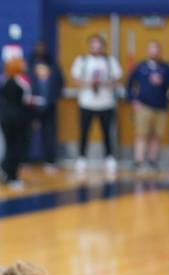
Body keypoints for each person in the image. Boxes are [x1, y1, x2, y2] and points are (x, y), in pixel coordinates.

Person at [70, 35, 122, 175]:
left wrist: (104, 83)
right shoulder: (82, 60)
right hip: (86, 103)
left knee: (107, 132)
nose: (96, 48)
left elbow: (117, 81)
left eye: (99, 45)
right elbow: (75, 81)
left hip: (106, 103)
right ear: (89, 46)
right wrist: (89, 83)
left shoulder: (110, 61)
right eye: (93, 45)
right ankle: (81, 158)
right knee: (84, 131)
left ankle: (109, 157)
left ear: (103, 46)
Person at [127, 40, 169, 172]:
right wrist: (133, 100)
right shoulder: (140, 67)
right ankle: (138, 161)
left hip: (161, 107)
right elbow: (130, 85)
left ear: (160, 51)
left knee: (156, 135)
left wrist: (168, 93)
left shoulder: (168, 69)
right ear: (148, 51)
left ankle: (152, 161)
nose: (154, 52)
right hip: (143, 106)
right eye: (151, 49)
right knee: (141, 134)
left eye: (157, 49)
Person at [0, 58, 32, 190]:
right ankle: (13, 177)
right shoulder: (22, 82)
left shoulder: (2, 80)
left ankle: (5, 169)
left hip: (4, 118)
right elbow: (26, 100)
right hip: (17, 119)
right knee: (16, 147)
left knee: (9, 146)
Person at [30, 62, 62, 173]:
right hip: (35, 113)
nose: (42, 72)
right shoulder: (32, 83)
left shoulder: (52, 83)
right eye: (39, 69)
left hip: (49, 113)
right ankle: (26, 160)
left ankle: (49, 161)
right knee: (29, 136)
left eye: (44, 69)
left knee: (49, 137)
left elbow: (56, 93)